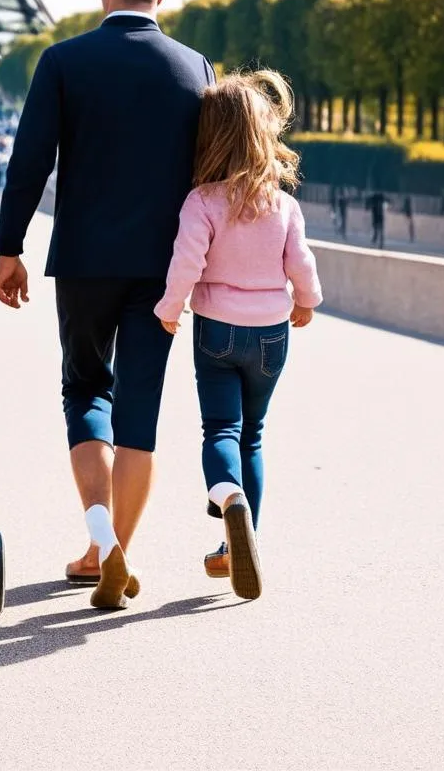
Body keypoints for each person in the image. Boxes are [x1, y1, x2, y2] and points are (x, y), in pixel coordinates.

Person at [0, 0, 215, 609]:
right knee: (138, 414)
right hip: (162, 266)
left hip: (86, 260)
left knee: (85, 390)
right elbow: (211, 175)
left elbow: (30, 160)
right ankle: (116, 548)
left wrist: (9, 247)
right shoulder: (195, 66)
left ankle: (99, 545)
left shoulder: (64, 61)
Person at [154, 70, 322, 600]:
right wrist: (306, 301)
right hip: (272, 333)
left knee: (221, 430)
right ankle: (240, 544)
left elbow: (186, 263)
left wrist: (170, 307)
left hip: (217, 331)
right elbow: (302, 263)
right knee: (254, 434)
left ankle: (229, 500)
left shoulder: (202, 200)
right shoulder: (283, 204)